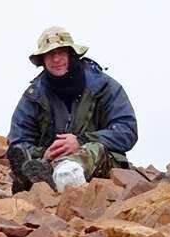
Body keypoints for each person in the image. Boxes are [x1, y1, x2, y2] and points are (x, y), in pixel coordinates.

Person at [7, 26, 138, 193]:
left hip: (100, 165)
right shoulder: (34, 96)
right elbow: (18, 140)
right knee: (22, 155)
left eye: (61, 52)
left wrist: (81, 141)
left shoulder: (104, 87)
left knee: (94, 150)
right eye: (50, 54)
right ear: (42, 60)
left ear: (72, 54)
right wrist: (45, 153)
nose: (56, 59)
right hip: (47, 161)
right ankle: (43, 176)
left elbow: (127, 131)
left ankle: (53, 177)